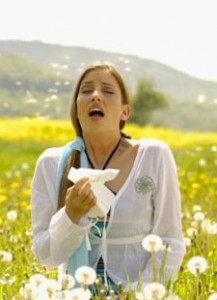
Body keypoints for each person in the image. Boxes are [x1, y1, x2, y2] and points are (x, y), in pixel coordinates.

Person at [31, 61, 185, 291]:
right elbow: (46, 256)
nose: (95, 96)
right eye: (86, 91)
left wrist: (141, 295)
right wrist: (70, 216)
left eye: (108, 91)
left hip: (138, 293)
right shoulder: (51, 164)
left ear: (125, 111)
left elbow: (170, 242)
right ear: (76, 107)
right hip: (76, 294)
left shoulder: (154, 156)